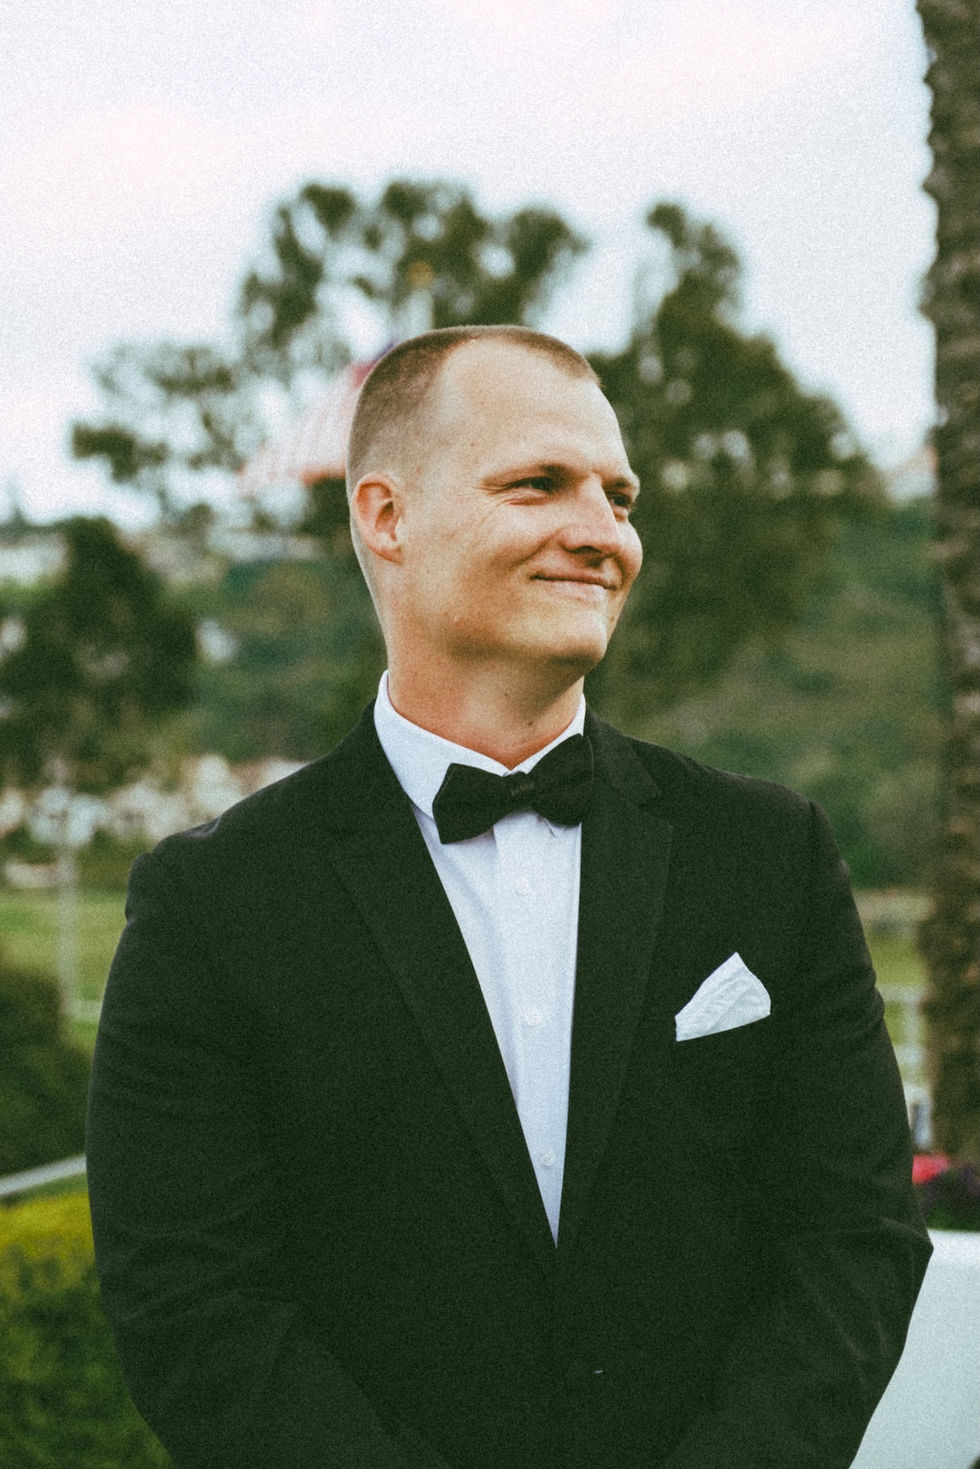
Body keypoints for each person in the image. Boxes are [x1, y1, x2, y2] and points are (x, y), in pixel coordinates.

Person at [87, 325, 931, 1469]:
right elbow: (196, 1308)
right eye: (538, 483)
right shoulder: (209, 905)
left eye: (618, 497)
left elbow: (852, 1236)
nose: (601, 533)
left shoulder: (769, 856)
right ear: (385, 516)